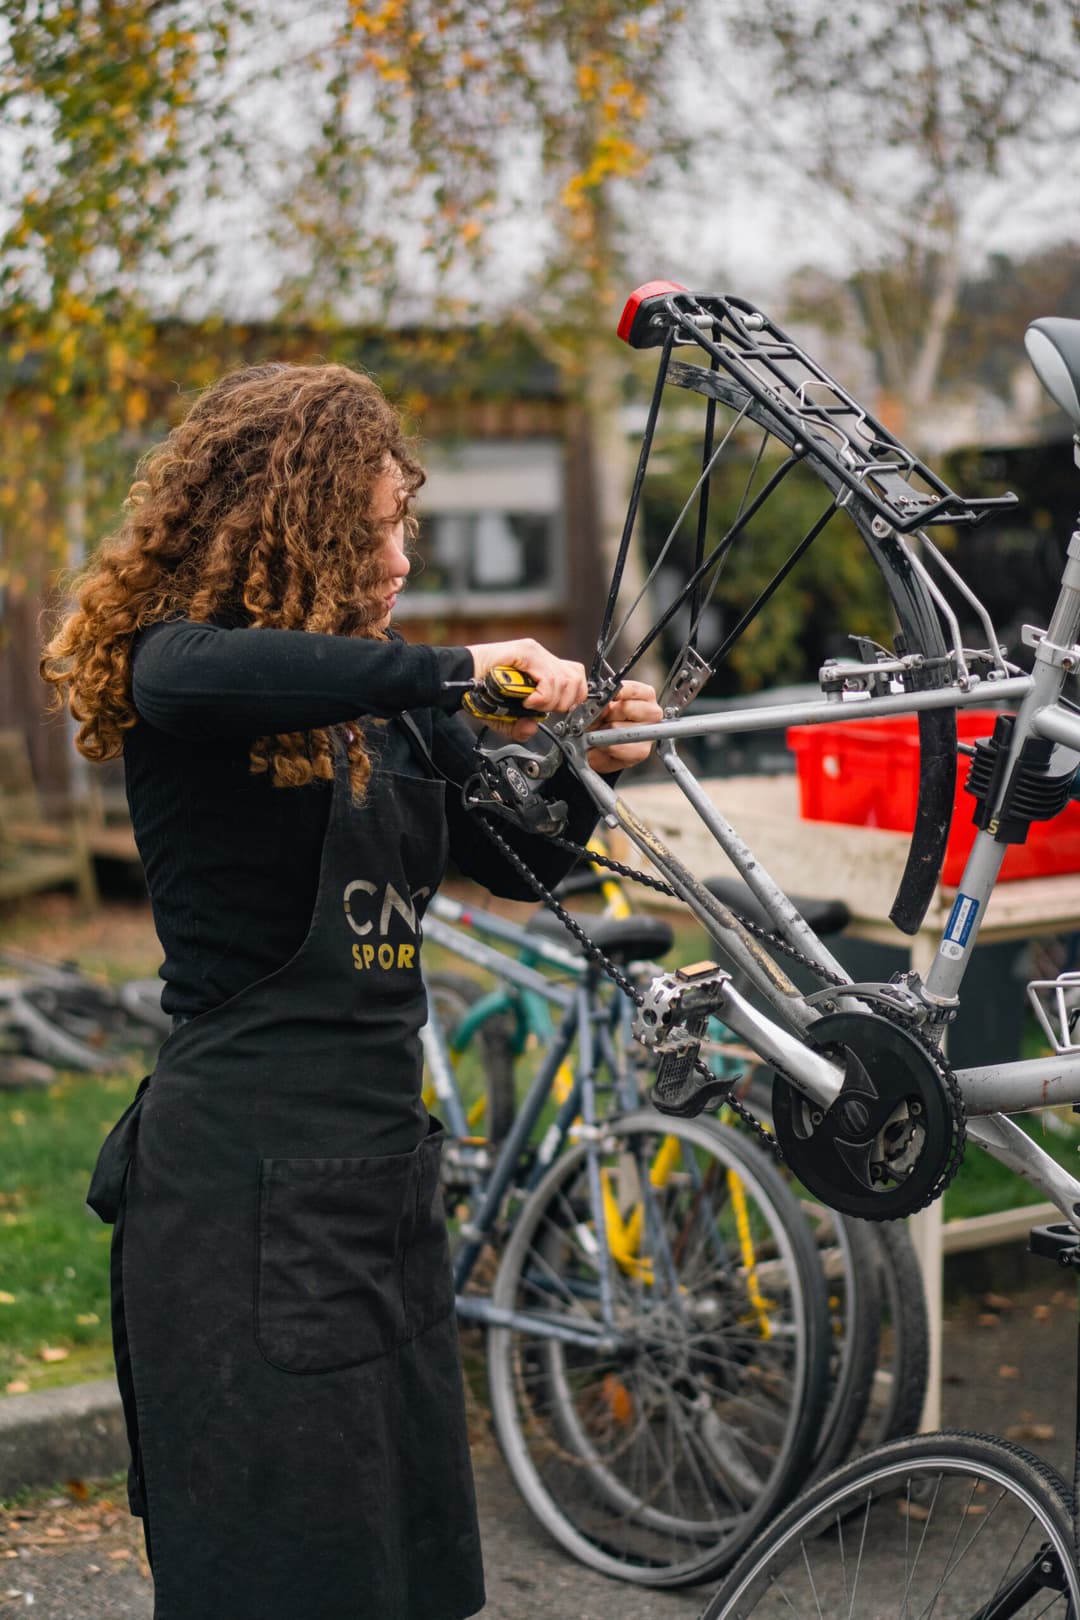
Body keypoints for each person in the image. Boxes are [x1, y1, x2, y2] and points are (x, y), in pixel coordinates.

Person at [40, 361, 661, 1620]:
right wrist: (459, 668)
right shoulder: (187, 678)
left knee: (400, 1564)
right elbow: (207, 674)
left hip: (381, 1192)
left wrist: (598, 772)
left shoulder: (395, 719)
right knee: (286, 1574)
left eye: (404, 526)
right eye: (379, 528)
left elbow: (517, 861)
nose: (400, 555)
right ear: (302, 527)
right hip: (244, 1203)